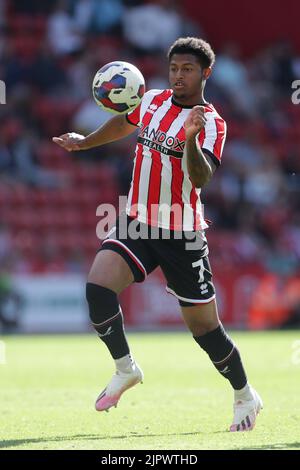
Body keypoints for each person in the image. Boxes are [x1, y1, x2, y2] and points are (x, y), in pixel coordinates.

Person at [52, 37, 263, 432]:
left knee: (206, 332)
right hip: (138, 222)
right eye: (174, 69)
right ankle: (125, 368)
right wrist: (85, 144)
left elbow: (202, 178)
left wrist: (188, 141)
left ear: (206, 73)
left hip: (183, 235)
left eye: (187, 70)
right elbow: (123, 122)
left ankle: (244, 394)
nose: (178, 76)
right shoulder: (150, 101)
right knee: (98, 288)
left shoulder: (213, 123)